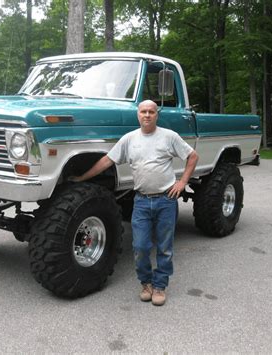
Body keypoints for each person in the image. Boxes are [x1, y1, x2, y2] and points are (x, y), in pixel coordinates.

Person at [70, 100, 198, 306]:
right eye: (143, 112)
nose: (147, 115)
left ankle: (159, 286)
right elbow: (107, 161)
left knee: (165, 247)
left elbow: (192, 156)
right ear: (137, 115)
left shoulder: (169, 136)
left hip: (166, 200)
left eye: (151, 112)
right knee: (140, 246)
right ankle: (146, 283)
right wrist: (82, 178)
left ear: (157, 114)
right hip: (141, 201)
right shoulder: (129, 139)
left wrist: (182, 182)